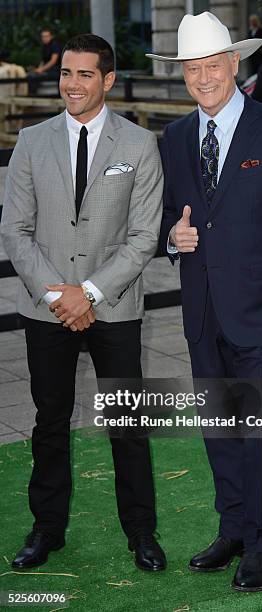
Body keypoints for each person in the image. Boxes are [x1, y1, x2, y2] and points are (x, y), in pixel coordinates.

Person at [147, 11, 262, 592]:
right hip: (203, 311)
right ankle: (234, 528)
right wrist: (174, 237)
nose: (202, 77)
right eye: (191, 69)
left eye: (211, 65)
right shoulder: (174, 137)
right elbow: (170, 215)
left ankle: (261, 544)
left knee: (261, 429)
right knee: (219, 427)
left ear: (233, 64)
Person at [1, 33, 166, 573]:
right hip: (46, 307)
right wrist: (59, 294)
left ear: (108, 80)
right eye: (66, 73)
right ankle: (47, 529)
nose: (71, 84)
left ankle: (141, 531)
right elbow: (16, 231)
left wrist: (89, 293)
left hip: (112, 306)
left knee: (128, 424)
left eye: (84, 74)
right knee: (50, 421)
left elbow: (143, 237)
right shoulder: (31, 141)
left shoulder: (139, 146)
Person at [28, 28, 62, 94]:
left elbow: (53, 61)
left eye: (46, 36)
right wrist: (38, 69)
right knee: (31, 75)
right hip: (48, 70)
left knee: (33, 77)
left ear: (51, 36)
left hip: (56, 71)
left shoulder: (55, 45)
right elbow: (43, 61)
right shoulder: (44, 46)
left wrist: (42, 69)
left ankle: (33, 96)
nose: (44, 38)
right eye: (43, 36)